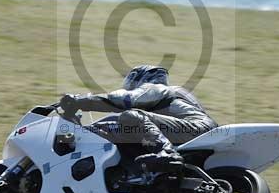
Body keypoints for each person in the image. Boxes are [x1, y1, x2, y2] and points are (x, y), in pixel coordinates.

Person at [59, 65, 218, 172]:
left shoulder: (157, 88)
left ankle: (167, 153)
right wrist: (88, 130)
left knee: (131, 116)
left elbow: (125, 100)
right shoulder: (162, 105)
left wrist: (80, 101)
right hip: (196, 133)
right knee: (125, 122)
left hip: (197, 129)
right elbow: (115, 124)